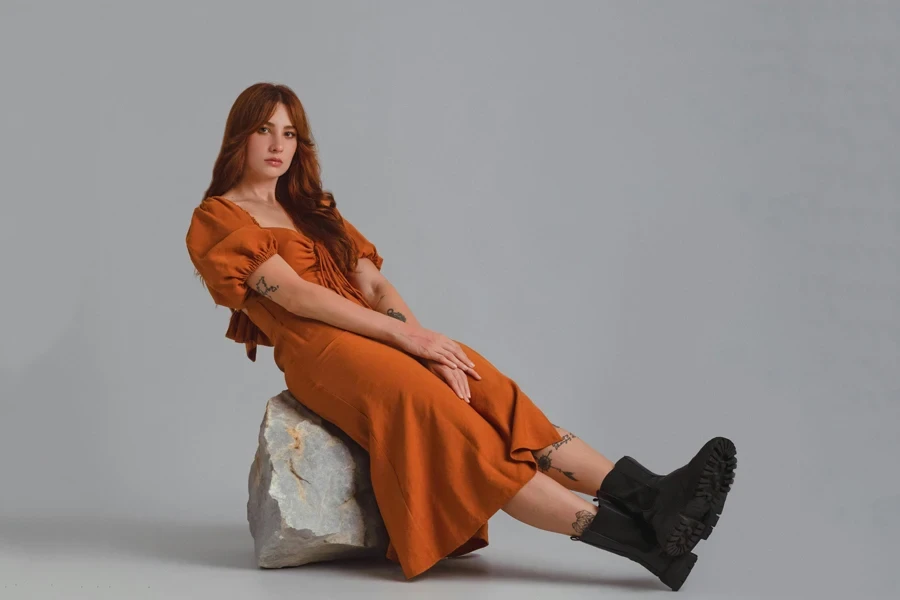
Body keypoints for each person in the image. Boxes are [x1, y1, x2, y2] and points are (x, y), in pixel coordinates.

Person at [185, 82, 737, 591]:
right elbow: (298, 296)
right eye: (265, 130)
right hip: (324, 351)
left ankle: (656, 499)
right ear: (240, 135)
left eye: (289, 133)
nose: (278, 145)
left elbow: (374, 284)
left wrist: (429, 344)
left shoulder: (314, 209)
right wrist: (411, 346)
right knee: (458, 432)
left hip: (380, 337)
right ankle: (644, 544)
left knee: (486, 388)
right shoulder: (219, 218)